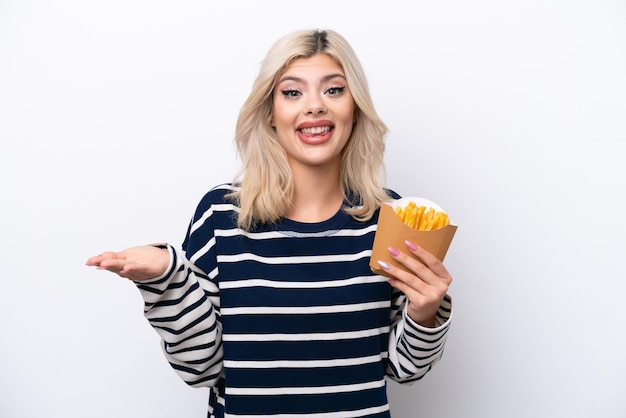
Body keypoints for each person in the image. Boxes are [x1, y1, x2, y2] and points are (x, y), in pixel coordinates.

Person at [86, 28, 453, 418]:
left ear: (355, 108)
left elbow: (405, 371)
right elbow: (202, 369)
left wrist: (425, 313)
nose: (314, 106)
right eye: (292, 92)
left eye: (333, 90)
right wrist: (167, 277)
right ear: (270, 113)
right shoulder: (221, 216)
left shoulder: (392, 218)